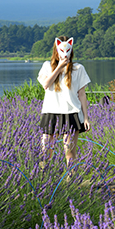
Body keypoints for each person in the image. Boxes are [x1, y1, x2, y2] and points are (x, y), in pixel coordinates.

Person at [37, 36, 91, 167]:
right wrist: (59, 67)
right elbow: (46, 84)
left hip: (71, 113)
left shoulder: (78, 69)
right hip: (51, 112)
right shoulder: (46, 66)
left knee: (70, 153)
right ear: (56, 50)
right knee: (45, 152)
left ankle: (71, 180)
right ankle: (43, 180)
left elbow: (82, 95)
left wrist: (86, 118)